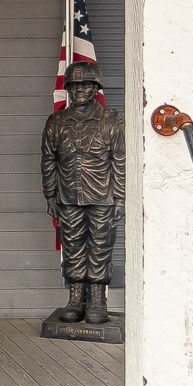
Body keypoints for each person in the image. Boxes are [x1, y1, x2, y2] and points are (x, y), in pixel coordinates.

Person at [40, 60, 125, 324]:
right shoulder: (56, 121)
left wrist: (120, 197)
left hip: (102, 196)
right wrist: (51, 195)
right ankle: (76, 297)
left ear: (95, 88)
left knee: (100, 247)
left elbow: (120, 160)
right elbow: (48, 160)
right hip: (67, 196)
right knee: (73, 245)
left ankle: (98, 299)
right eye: (75, 85)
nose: (80, 90)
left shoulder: (110, 120)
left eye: (86, 85)